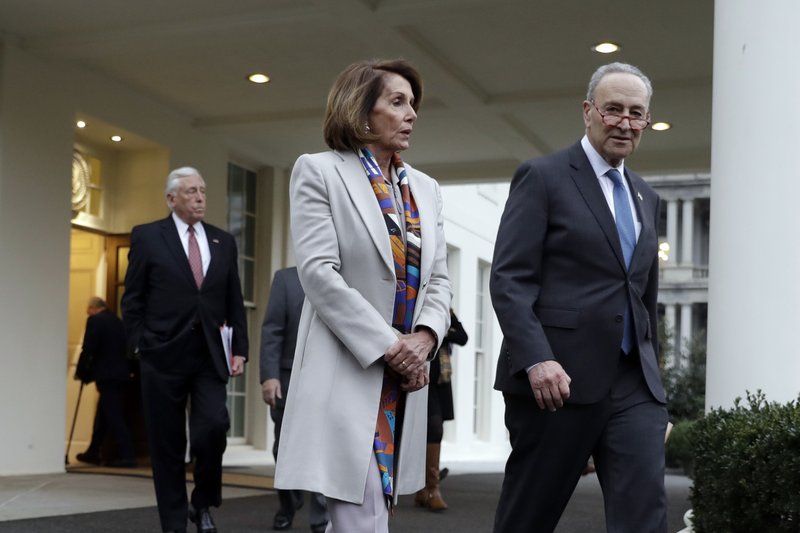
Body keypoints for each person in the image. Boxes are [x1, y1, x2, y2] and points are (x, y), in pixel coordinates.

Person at [273, 59, 451, 533]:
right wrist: (391, 346)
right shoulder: (319, 171)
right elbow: (318, 273)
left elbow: (440, 280)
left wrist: (426, 339)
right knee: (362, 507)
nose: (411, 113)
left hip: (407, 375)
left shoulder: (427, 190)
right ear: (362, 112)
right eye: (397, 102)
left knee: (375, 505)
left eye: (413, 104)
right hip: (350, 365)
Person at [490, 62, 668, 533]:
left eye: (636, 113)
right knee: (528, 517)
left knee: (643, 516)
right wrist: (536, 360)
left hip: (633, 386)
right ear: (588, 112)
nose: (625, 122)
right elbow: (510, 279)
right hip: (557, 382)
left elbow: (643, 297)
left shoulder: (647, 198)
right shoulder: (543, 177)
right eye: (613, 110)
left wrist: (656, 381)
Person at [121, 166, 248, 533]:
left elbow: (233, 299)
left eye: (203, 191)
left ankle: (202, 502)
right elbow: (133, 298)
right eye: (191, 191)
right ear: (171, 198)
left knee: (213, 428)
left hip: (209, 354)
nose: (200, 197)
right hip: (162, 355)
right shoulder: (148, 237)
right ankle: (174, 523)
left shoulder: (224, 241)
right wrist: (140, 344)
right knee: (167, 444)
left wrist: (239, 346)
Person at [260, 266, 329, 533]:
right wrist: (269, 376)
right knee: (284, 449)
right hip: (289, 379)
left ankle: (321, 517)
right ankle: (289, 502)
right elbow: (272, 331)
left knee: (323, 448)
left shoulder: (347, 277)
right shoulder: (285, 279)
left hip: (329, 378)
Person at [414, 308, 467, 511]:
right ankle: (422, 487)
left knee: (435, 429)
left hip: (439, 379)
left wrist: (438, 332)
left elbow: (462, 336)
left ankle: (432, 488)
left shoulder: (445, 311)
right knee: (423, 431)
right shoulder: (417, 304)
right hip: (419, 374)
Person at [74, 296, 136, 468]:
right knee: (103, 414)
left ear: (93, 308)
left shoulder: (95, 321)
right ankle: (93, 450)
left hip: (107, 374)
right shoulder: (118, 322)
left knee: (114, 415)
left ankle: (128, 454)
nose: (88, 313)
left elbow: (89, 348)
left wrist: (81, 372)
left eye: (88, 310)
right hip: (121, 374)